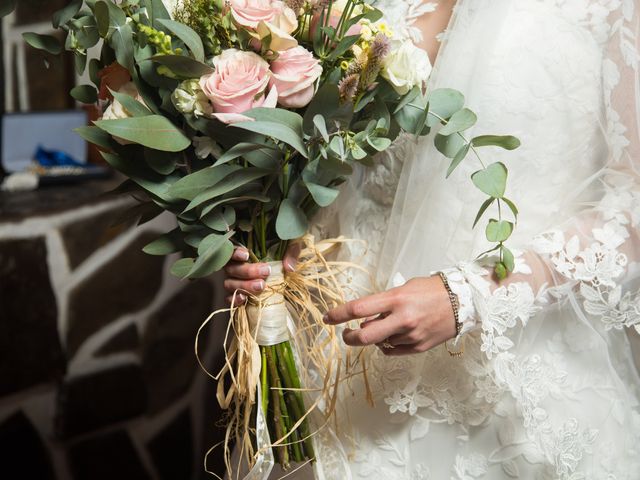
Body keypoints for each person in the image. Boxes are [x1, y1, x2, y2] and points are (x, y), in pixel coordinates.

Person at [224, 0, 640, 478]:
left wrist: (469, 296)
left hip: (508, 385)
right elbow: (329, 151)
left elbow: (633, 206)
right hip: (330, 350)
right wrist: (276, 238)